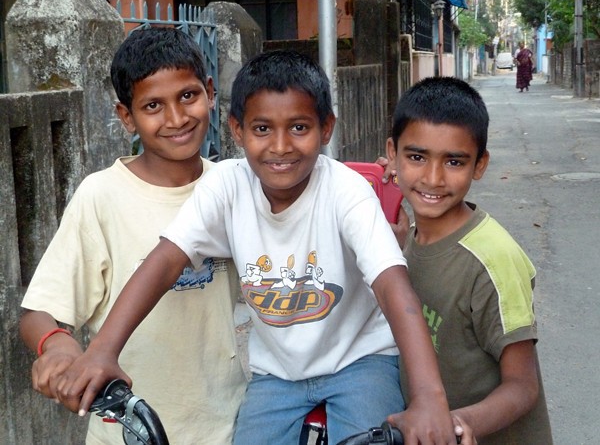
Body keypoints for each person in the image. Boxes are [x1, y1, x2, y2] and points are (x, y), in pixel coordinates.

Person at [52, 49, 457, 445]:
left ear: (326, 128)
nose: (280, 146)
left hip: (360, 360)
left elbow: (392, 286)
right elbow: (165, 261)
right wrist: (102, 351)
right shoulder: (225, 185)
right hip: (275, 373)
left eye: (299, 128)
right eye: (262, 129)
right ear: (237, 130)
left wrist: (429, 398)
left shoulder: (347, 192)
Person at [19, 28, 247, 445]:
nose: (176, 118)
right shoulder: (101, 196)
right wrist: (57, 346)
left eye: (188, 96)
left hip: (227, 425)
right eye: (153, 105)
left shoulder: (233, 188)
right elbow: (38, 313)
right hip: (127, 428)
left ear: (211, 92)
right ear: (127, 116)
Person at [384, 76, 553, 444]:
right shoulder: (409, 238)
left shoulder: (494, 260)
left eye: (454, 162)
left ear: (479, 164)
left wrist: (457, 422)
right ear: (392, 154)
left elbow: (523, 386)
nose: (433, 178)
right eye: (416, 157)